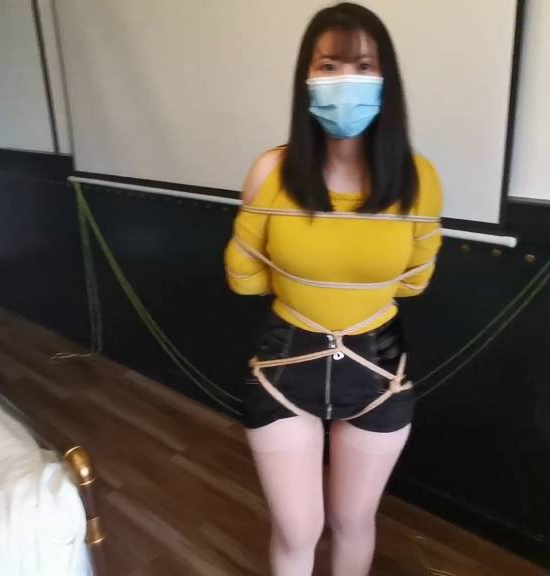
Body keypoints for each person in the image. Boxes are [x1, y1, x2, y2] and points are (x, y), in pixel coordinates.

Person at [223, 3, 444, 574]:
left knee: (354, 522)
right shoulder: (269, 171)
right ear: (306, 78)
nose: (345, 80)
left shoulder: (419, 180)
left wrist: (302, 276)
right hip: (282, 369)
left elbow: (417, 281)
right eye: (328, 66)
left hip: (379, 373)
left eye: (363, 65)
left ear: (386, 78)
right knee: (297, 531)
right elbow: (239, 278)